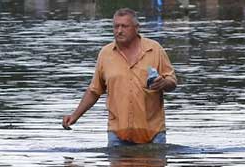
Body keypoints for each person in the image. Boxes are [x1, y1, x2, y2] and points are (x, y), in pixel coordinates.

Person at [62, 8, 177, 146]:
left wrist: (164, 83)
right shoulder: (105, 54)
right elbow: (94, 91)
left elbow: (172, 82)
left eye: (124, 26)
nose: (119, 31)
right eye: (116, 26)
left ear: (136, 28)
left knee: (154, 166)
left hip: (153, 133)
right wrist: (75, 116)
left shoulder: (155, 50)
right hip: (117, 133)